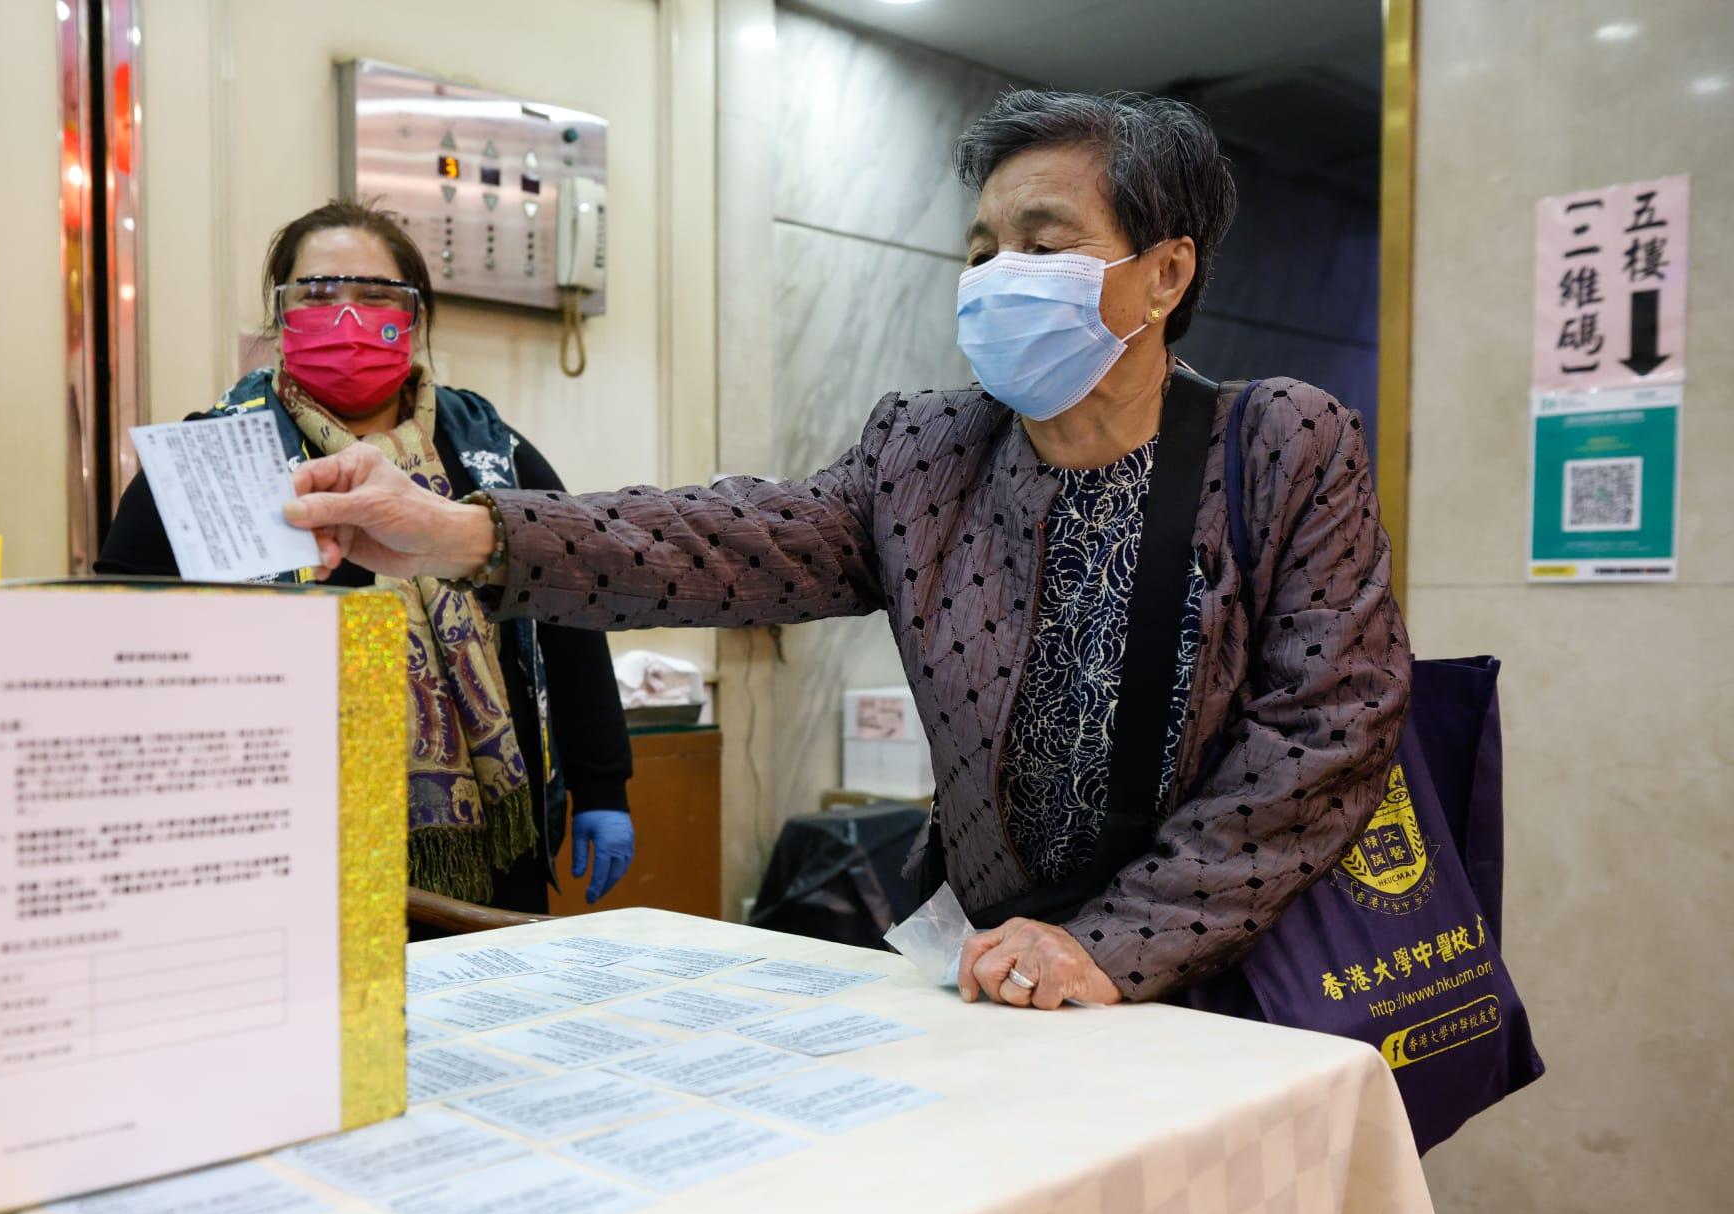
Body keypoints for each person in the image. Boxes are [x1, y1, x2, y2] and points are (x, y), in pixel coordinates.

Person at [280, 93, 1411, 1011]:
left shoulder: (1280, 443)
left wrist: (1112, 946)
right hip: (997, 974)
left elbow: (1329, 724)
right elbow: (720, 539)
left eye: (1043, 242)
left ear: (1166, 275)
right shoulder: (929, 451)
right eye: (983, 247)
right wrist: (460, 531)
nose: (996, 273)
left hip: (1230, 983)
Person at [98, 200, 635, 913]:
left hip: (499, 848)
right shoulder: (211, 459)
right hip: (289, 863)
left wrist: (602, 783)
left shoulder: (490, 451)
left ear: (412, 316)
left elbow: (569, 605)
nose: (346, 317)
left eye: (374, 295)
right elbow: (110, 634)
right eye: (318, 294)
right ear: (281, 314)